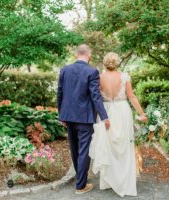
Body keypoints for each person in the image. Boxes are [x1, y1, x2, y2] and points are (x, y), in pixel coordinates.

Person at [89, 52, 148, 197]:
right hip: (122, 111)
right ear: (117, 63)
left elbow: (95, 97)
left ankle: (109, 181)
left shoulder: (99, 77)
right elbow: (132, 97)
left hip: (106, 112)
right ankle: (125, 181)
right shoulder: (124, 76)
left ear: (104, 63)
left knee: (108, 145)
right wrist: (142, 113)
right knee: (124, 145)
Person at [57, 44, 110, 195]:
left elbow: (59, 93)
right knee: (83, 150)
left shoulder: (65, 70)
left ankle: (80, 178)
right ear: (89, 55)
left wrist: (61, 114)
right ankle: (80, 185)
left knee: (74, 148)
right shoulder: (92, 71)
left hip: (68, 116)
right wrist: (104, 116)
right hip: (84, 118)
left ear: (76, 54)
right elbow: (95, 96)